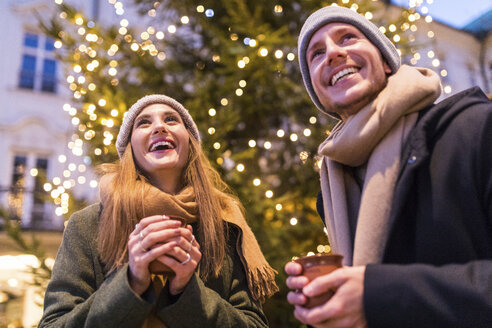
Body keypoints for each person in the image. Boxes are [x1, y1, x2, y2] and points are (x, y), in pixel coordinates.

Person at [285, 5, 492, 328]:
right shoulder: (333, 190)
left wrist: (377, 296)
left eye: (348, 37)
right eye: (316, 54)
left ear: (384, 60)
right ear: (317, 91)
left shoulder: (474, 128)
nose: (334, 54)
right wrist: (331, 308)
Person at [38, 94, 278, 327]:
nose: (159, 127)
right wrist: (131, 281)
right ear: (130, 147)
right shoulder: (87, 224)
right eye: (144, 122)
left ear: (190, 142)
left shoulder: (225, 222)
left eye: (171, 119)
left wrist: (186, 289)